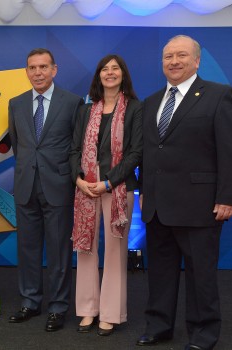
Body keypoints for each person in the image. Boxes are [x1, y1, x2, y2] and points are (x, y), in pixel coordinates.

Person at [137, 35, 232, 350]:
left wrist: (228, 197)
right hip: (157, 206)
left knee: (201, 276)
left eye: (181, 55)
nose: (174, 61)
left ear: (197, 60)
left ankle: (203, 334)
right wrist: (144, 190)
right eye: (168, 56)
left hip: (200, 205)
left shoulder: (219, 95)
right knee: (160, 272)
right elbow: (149, 152)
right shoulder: (152, 101)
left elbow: (231, 152)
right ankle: (159, 326)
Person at [7, 48, 83, 332]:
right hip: (26, 185)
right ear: (26, 72)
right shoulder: (16, 104)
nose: (37, 72)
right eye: (32, 68)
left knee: (58, 250)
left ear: (54, 69)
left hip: (59, 185)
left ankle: (58, 307)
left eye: (43, 67)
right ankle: (30, 302)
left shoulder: (72, 102)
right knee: (27, 249)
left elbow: (76, 145)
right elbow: (18, 144)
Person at [70, 54, 142, 336]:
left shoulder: (136, 108)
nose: (110, 73)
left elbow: (136, 151)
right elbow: (74, 148)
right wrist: (77, 179)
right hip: (85, 186)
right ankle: (88, 310)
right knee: (85, 249)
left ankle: (111, 313)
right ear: (98, 76)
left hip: (118, 186)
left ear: (123, 74)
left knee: (115, 252)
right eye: (105, 69)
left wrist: (109, 182)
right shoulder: (86, 111)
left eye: (115, 68)